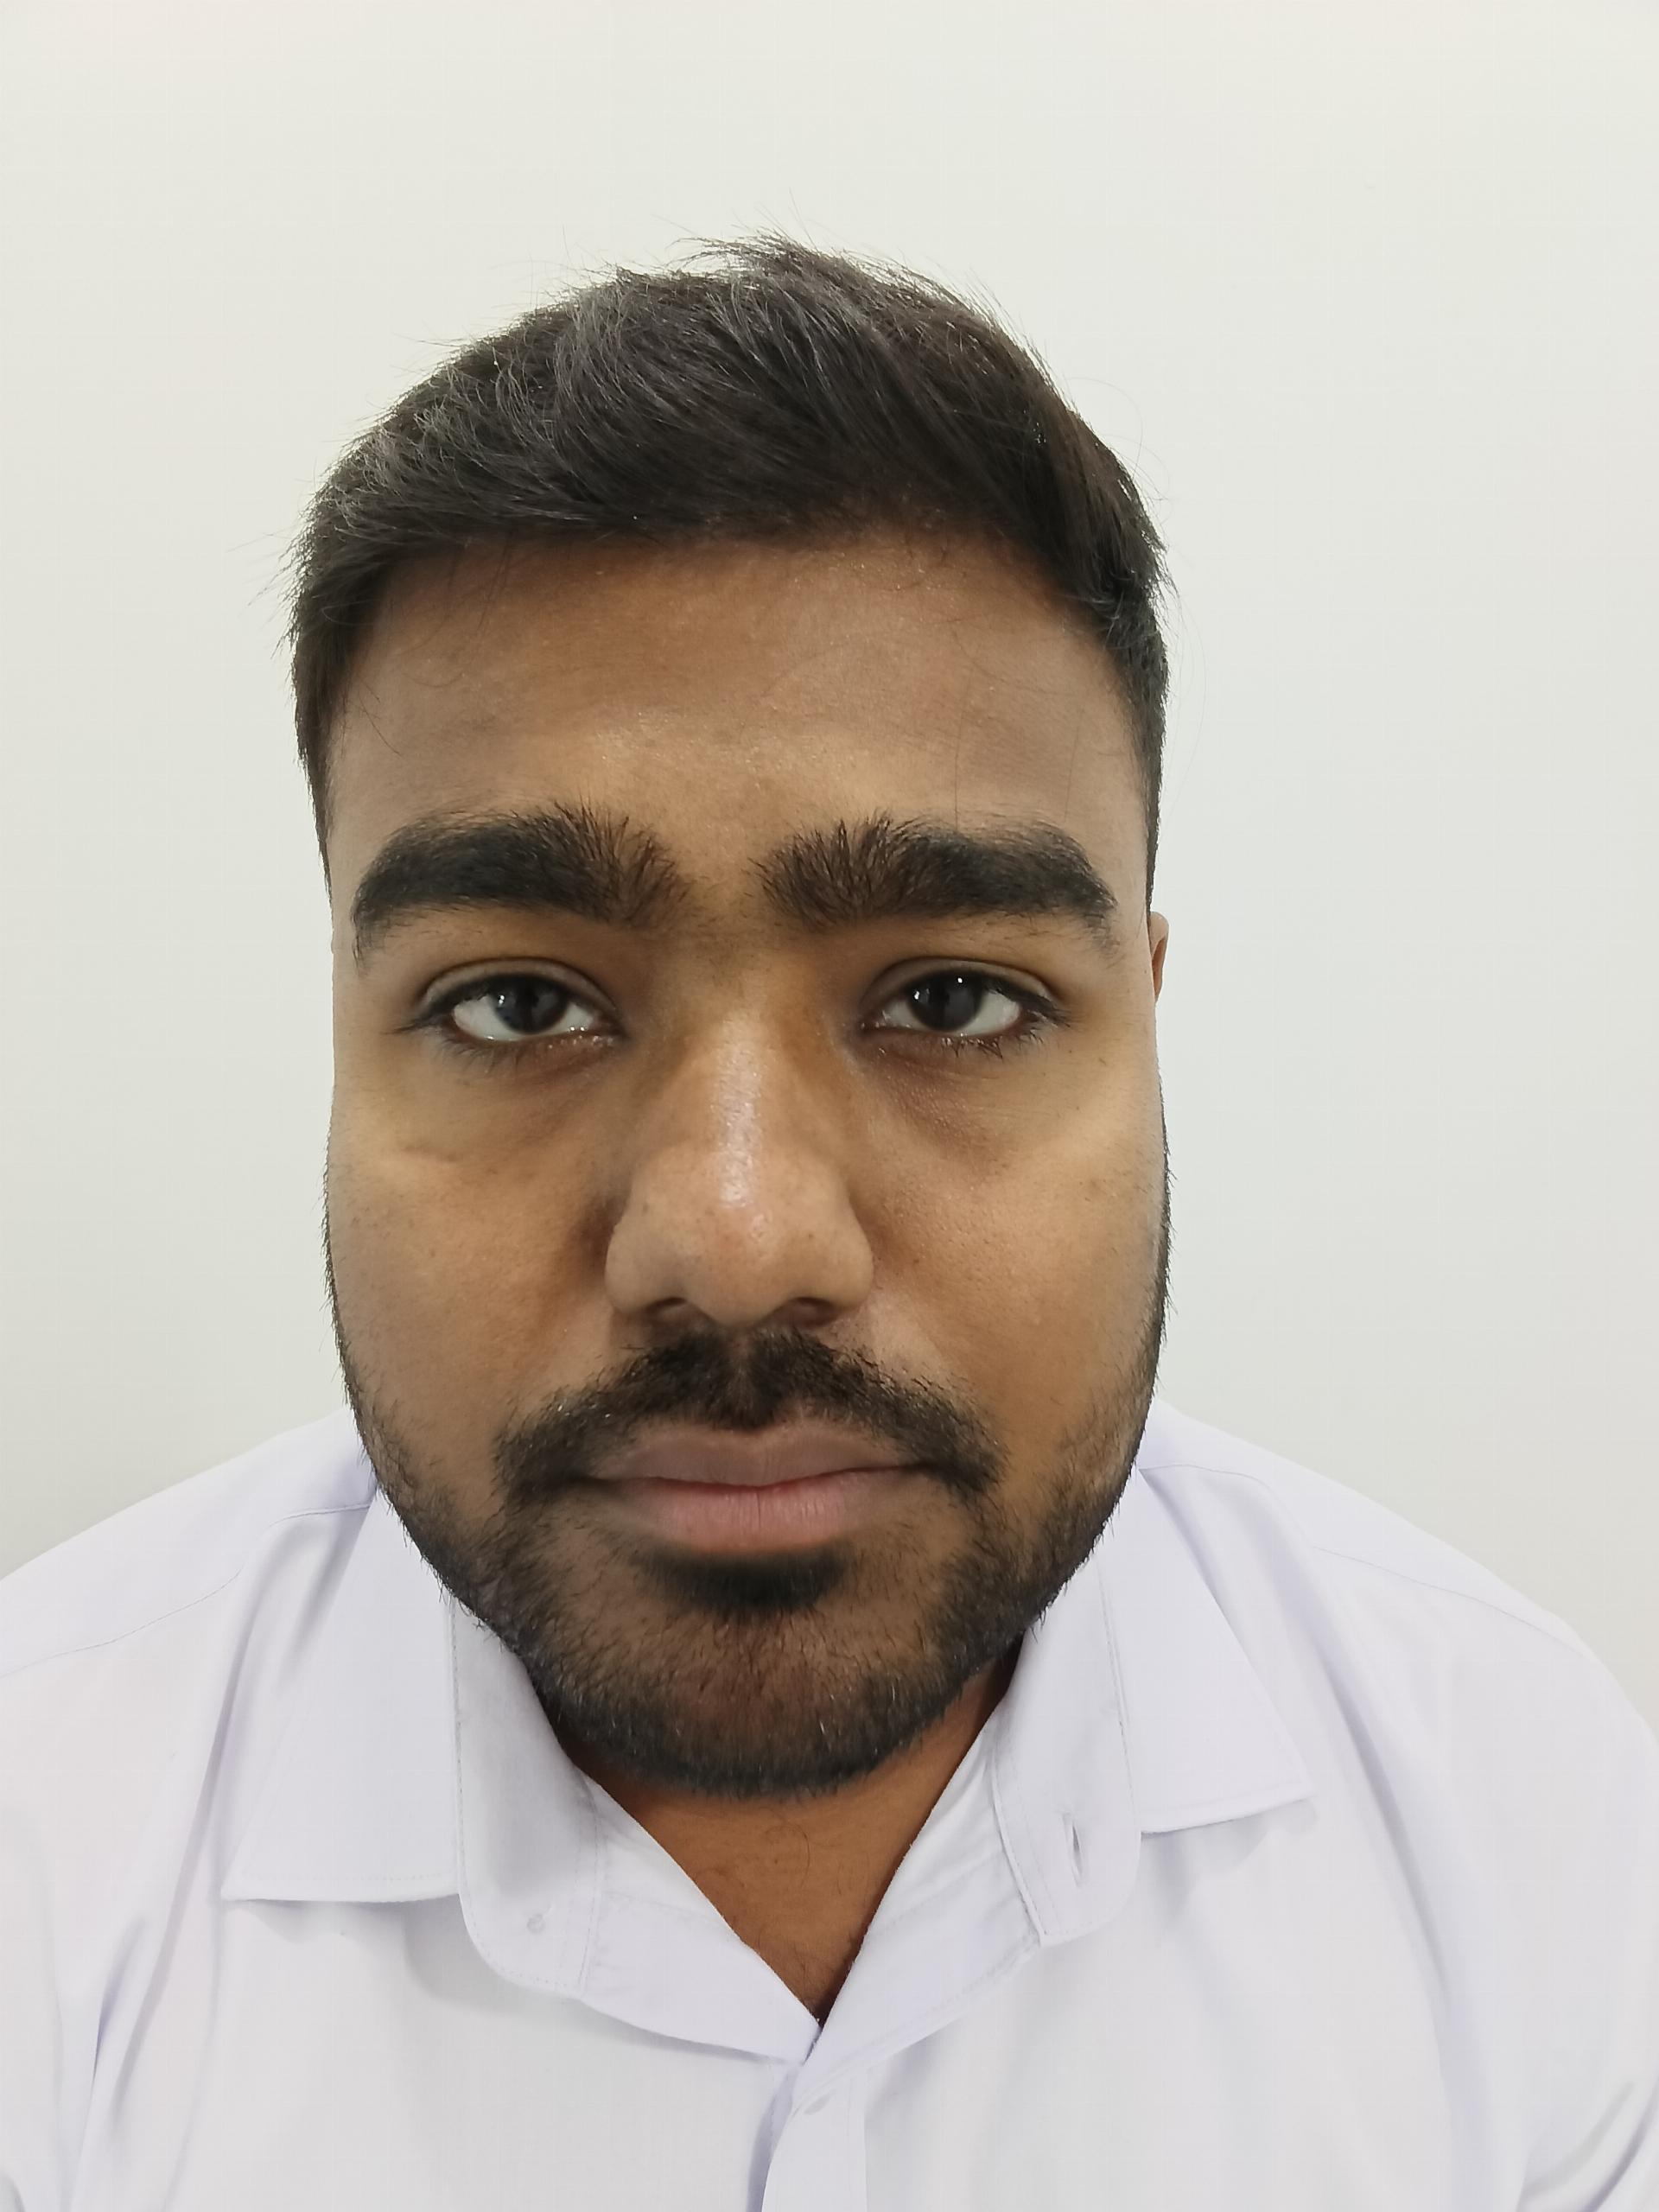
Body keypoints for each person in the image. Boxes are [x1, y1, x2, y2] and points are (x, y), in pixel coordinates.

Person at [1, 235, 1653, 2210]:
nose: (736, 1234)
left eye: (951, 997)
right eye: (516, 1002)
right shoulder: (46, 1834)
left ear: (1145, 1013)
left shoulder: (1516, 1804)